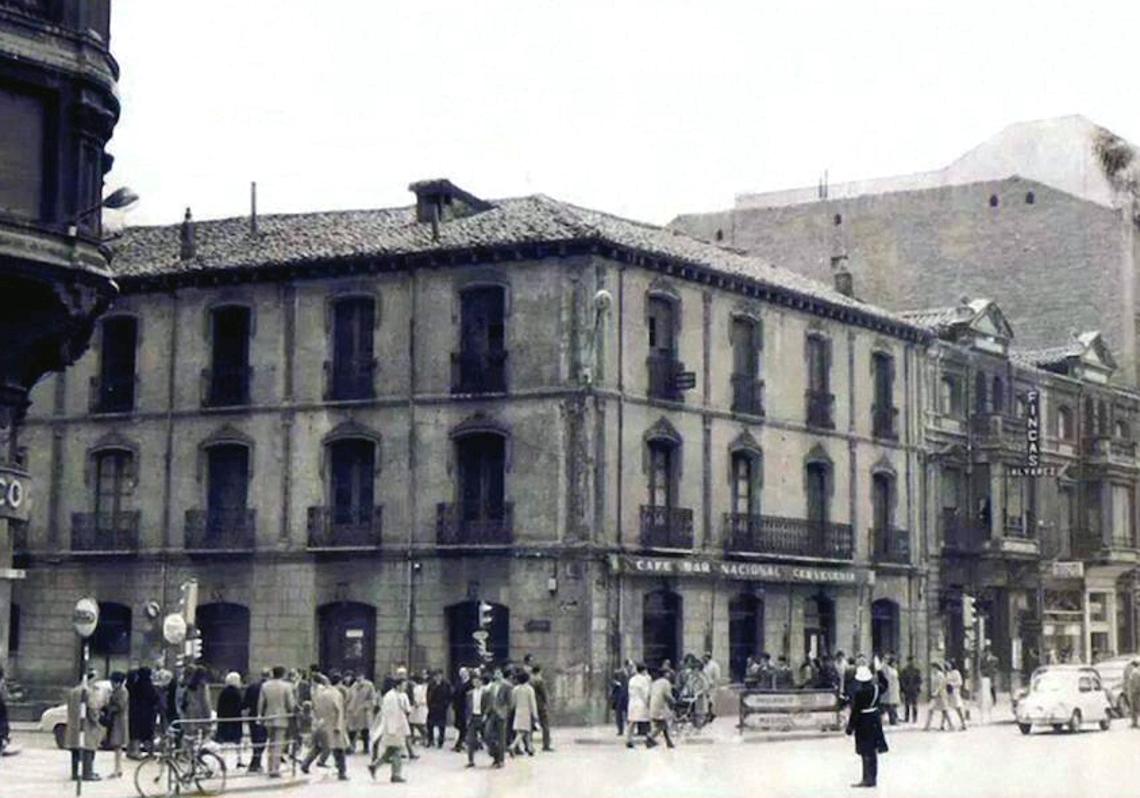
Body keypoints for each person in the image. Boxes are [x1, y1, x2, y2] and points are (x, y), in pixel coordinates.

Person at [845, 665, 889, 788]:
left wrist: (850, 728)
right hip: (875, 720)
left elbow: (856, 711)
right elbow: (885, 684)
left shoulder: (860, 693)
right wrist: (880, 671)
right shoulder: (876, 688)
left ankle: (866, 778)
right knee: (873, 751)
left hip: (863, 722)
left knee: (865, 751)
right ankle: (873, 778)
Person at [301, 675, 348, 780]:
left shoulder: (319, 694)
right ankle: (342, 772)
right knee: (339, 749)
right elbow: (339, 711)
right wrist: (339, 726)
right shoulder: (336, 694)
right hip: (333, 724)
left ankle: (305, 764)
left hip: (320, 723)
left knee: (319, 747)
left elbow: (315, 709)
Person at [369, 672, 411, 783]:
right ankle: (396, 774)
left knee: (390, 751)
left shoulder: (399, 695)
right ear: (398, 685)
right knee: (397, 750)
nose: (405, 687)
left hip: (398, 727)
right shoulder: (390, 697)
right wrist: (392, 729)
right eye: (403, 685)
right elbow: (389, 715)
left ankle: (375, 766)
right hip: (393, 728)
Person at [258, 665, 296, 778]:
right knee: (279, 744)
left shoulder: (265, 686)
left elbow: (261, 703)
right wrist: (292, 711)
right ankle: (275, 769)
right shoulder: (287, 686)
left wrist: (260, 715)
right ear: (283, 674)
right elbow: (290, 703)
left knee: (270, 743)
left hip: (268, 717)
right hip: (282, 717)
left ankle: (270, 767)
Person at [65, 670, 104, 782]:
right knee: (88, 749)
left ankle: (75, 773)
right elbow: (92, 708)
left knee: (75, 750)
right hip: (86, 725)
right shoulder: (87, 692)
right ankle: (87, 773)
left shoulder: (73, 691)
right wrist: (97, 719)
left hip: (74, 724)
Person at [127, 667, 159, 758]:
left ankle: (133, 751)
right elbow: (154, 698)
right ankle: (150, 753)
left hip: (134, 712)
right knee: (147, 733)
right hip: (147, 713)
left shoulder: (134, 685)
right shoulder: (148, 685)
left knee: (135, 733)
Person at [215, 672, 245, 768]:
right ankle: (239, 760)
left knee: (223, 743)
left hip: (224, 720)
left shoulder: (223, 692)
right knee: (237, 742)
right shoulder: (237, 692)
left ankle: (222, 762)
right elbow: (239, 706)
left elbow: (219, 706)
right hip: (235, 720)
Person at [243, 669, 269, 773]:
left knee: (255, 740)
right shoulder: (268, 688)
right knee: (262, 740)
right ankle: (256, 762)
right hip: (265, 716)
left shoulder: (252, 686)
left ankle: (255, 762)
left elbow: (246, 702)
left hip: (253, 716)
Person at [104, 671, 130, 779]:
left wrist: (109, 708)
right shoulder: (117, 690)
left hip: (119, 721)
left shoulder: (122, 691)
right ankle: (118, 769)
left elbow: (121, 706)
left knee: (118, 745)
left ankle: (117, 769)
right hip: (116, 720)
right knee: (117, 747)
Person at [509, 670, 538, 756]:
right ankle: (513, 746)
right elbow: (532, 703)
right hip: (527, 712)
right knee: (522, 731)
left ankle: (530, 748)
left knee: (525, 731)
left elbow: (513, 702)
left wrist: (512, 710)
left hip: (518, 711)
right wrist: (535, 714)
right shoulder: (529, 689)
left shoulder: (515, 689)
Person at [346, 673, 376, 754]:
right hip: (353, 712)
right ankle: (352, 747)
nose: (358, 679)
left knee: (365, 731)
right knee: (352, 731)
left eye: (360, 677)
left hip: (364, 712)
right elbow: (349, 698)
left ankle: (366, 748)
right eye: (357, 677)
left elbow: (373, 699)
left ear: (363, 676)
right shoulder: (354, 686)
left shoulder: (369, 685)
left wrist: (365, 706)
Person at [646, 667, 675, 748]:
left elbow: (648, 695)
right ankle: (650, 737)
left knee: (663, 724)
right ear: (665, 674)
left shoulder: (655, 682)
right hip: (660, 707)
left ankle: (669, 742)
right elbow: (668, 695)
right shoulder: (666, 682)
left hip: (653, 706)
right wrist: (674, 701)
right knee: (663, 725)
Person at [625, 663, 652, 748]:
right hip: (641, 703)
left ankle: (628, 739)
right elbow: (646, 693)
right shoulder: (644, 680)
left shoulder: (632, 679)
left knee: (632, 722)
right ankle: (650, 739)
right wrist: (648, 703)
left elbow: (629, 691)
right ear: (644, 670)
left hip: (632, 702)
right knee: (649, 721)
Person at [923, 662, 955, 731]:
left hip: (941, 695)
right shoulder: (933, 675)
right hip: (935, 696)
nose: (932, 669)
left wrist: (936, 692)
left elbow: (941, 685)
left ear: (936, 668)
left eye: (933, 667)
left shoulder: (940, 675)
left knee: (944, 711)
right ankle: (927, 726)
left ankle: (951, 725)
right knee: (930, 710)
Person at [463, 671, 485, 767]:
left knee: (488, 737)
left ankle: (496, 756)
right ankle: (471, 760)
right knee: (470, 740)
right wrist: (467, 718)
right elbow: (467, 707)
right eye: (474, 682)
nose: (476, 683)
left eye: (478, 681)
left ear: (481, 682)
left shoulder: (486, 693)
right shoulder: (469, 694)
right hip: (473, 717)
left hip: (482, 717)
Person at [425, 670, 452, 748]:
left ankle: (440, 741)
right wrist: (429, 704)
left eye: (439, 675)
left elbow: (449, 695)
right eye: (436, 676)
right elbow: (428, 694)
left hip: (442, 707)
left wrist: (446, 705)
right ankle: (430, 740)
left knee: (441, 726)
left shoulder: (446, 684)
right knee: (430, 724)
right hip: (432, 707)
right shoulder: (431, 684)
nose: (438, 677)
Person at [531, 664, 553, 752]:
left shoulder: (530, 681)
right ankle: (546, 745)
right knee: (545, 725)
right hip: (540, 706)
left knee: (530, 726)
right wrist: (547, 703)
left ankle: (529, 745)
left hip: (532, 705)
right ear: (539, 671)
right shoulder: (540, 681)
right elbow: (544, 694)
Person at [451, 667, 472, 753]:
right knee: (458, 726)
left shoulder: (470, 684)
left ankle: (459, 744)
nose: (462, 674)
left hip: (466, 708)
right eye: (461, 672)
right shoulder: (458, 683)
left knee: (464, 727)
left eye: (464, 672)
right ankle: (461, 743)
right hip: (458, 708)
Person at [945, 660, 967, 731]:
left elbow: (960, 682)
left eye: (949, 664)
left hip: (955, 692)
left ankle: (963, 723)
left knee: (958, 708)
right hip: (948, 693)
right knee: (946, 709)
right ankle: (950, 724)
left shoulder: (956, 673)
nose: (948, 666)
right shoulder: (948, 673)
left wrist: (952, 685)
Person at [899, 657, 922, 724]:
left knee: (915, 704)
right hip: (907, 690)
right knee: (907, 704)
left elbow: (919, 680)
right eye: (910, 661)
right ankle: (907, 717)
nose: (911, 663)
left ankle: (914, 718)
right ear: (908, 661)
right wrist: (904, 688)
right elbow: (902, 680)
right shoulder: (904, 670)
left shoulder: (917, 670)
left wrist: (917, 687)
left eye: (912, 661)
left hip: (914, 689)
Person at [409, 671, 429, 745]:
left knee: (420, 724)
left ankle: (425, 738)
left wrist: (417, 703)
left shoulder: (418, 688)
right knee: (413, 723)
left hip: (419, 708)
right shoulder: (420, 687)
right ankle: (415, 738)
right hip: (417, 708)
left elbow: (419, 698)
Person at [611, 664, 630, 735]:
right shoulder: (625, 681)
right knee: (623, 715)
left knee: (620, 715)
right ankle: (623, 730)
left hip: (621, 698)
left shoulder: (618, 683)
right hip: (623, 698)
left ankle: (621, 730)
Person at [882, 657, 901, 725]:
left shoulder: (894, 670)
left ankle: (893, 719)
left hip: (894, 690)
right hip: (889, 690)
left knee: (892, 706)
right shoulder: (888, 669)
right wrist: (885, 661)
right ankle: (892, 720)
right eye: (894, 663)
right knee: (890, 706)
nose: (895, 664)